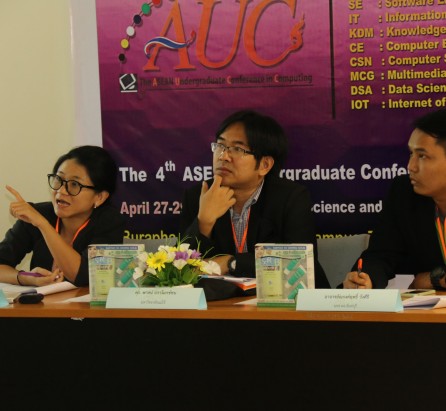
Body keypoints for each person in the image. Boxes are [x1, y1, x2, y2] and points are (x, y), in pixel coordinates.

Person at [180, 110, 330, 288]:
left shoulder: (290, 198)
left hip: (285, 300)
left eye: (237, 149)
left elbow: (299, 264)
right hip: (220, 302)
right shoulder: (198, 196)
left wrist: (231, 263)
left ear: (264, 165)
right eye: (220, 146)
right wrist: (204, 222)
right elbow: (178, 271)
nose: (223, 156)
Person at [343, 108, 446, 289]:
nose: (411, 166)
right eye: (411, 154)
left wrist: (427, 280)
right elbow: (380, 255)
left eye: (422, 156)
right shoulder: (404, 193)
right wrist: (365, 279)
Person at [0, 145, 125, 287]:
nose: (61, 190)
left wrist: (43, 225)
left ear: (100, 197)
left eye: (74, 184)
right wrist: (27, 278)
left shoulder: (110, 222)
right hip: (43, 301)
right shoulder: (38, 214)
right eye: (58, 179)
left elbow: (81, 276)